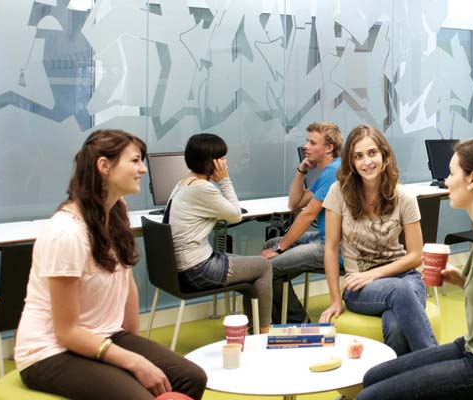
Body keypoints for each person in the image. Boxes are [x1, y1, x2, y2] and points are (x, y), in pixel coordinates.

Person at [14, 130, 206, 399]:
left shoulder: (117, 212)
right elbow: (66, 331)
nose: (143, 170)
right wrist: (133, 362)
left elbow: (125, 281)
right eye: (135, 161)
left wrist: (136, 348)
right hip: (51, 352)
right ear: (104, 166)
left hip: (105, 335)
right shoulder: (66, 233)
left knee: (192, 378)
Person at [358, 137, 473, 400]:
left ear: (472, 179)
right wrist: (461, 280)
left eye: (452, 173)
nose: (446, 181)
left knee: (369, 397)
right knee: (372, 377)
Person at [315, 125, 437, 355]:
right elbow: (330, 248)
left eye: (372, 153)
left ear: (384, 155)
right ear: (350, 162)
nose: (366, 162)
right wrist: (334, 299)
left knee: (397, 326)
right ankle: (437, 363)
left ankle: (397, 387)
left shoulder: (404, 197)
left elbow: (415, 255)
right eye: (358, 156)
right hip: (360, 287)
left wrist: (373, 273)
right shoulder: (338, 192)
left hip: (404, 278)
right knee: (399, 291)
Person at [166, 133, 273, 330]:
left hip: (181, 269)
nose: (226, 163)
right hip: (198, 270)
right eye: (222, 159)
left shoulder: (182, 184)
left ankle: (255, 329)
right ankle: (262, 332)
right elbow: (235, 214)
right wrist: (224, 180)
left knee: (250, 267)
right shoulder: (203, 189)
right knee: (264, 266)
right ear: (212, 163)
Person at [261, 122, 343, 323]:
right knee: (269, 245)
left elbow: (308, 215)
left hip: (337, 247)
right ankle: (280, 319)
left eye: (312, 142)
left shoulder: (334, 172)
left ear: (329, 147)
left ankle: (299, 323)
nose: (305, 146)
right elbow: (295, 203)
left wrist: (281, 249)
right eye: (307, 141)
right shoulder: (329, 171)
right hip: (325, 237)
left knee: (267, 269)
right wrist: (301, 171)